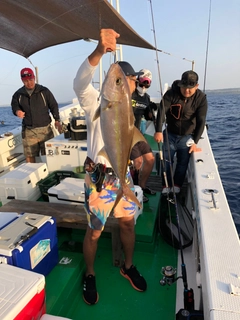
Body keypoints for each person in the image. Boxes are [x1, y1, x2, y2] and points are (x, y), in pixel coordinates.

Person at [73, 29, 147, 306]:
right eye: (127, 78)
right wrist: (99, 52)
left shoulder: (130, 107)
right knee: (94, 231)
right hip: (99, 179)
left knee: (128, 224)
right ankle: (90, 274)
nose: (132, 83)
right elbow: (80, 84)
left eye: (129, 80)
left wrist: (138, 155)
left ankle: (127, 266)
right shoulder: (97, 100)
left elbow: (131, 137)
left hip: (122, 176)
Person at [154, 70, 208, 194]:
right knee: (166, 160)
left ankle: (177, 184)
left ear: (196, 86)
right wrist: (158, 130)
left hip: (187, 136)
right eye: (184, 87)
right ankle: (165, 185)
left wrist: (195, 141)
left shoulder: (201, 98)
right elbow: (162, 111)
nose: (187, 91)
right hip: (170, 133)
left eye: (190, 88)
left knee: (182, 162)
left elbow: (201, 120)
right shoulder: (171, 94)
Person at [11, 68, 62, 163]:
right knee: (29, 156)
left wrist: (57, 120)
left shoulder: (44, 91)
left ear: (34, 78)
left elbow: (53, 105)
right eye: (26, 81)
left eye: (31, 80)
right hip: (29, 130)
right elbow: (14, 106)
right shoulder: (18, 94)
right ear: (22, 81)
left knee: (49, 155)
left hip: (45, 130)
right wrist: (17, 111)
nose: (29, 83)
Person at [130, 69, 158, 202]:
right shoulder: (130, 94)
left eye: (147, 85)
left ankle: (142, 186)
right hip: (127, 134)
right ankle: (135, 189)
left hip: (138, 134)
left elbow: (146, 116)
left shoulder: (146, 98)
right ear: (137, 81)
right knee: (138, 161)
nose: (143, 87)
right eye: (141, 84)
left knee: (150, 159)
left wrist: (150, 112)